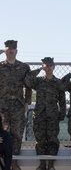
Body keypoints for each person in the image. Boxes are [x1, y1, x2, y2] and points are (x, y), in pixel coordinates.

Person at [25, 57, 66, 170]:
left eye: (50, 65)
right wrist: (39, 69)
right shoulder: (38, 81)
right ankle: (42, 163)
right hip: (39, 115)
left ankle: (51, 164)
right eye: (46, 65)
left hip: (53, 115)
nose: (48, 68)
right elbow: (28, 80)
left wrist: (62, 113)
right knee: (40, 140)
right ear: (43, 66)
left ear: (54, 67)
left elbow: (62, 100)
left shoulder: (58, 83)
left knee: (52, 139)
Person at [0, 40, 32, 170]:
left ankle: (14, 160)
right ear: (5, 51)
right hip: (2, 104)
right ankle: (3, 160)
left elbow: (29, 86)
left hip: (18, 105)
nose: (11, 51)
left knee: (17, 133)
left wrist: (27, 102)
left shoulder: (24, 67)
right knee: (3, 133)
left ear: (16, 51)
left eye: (13, 49)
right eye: (8, 49)